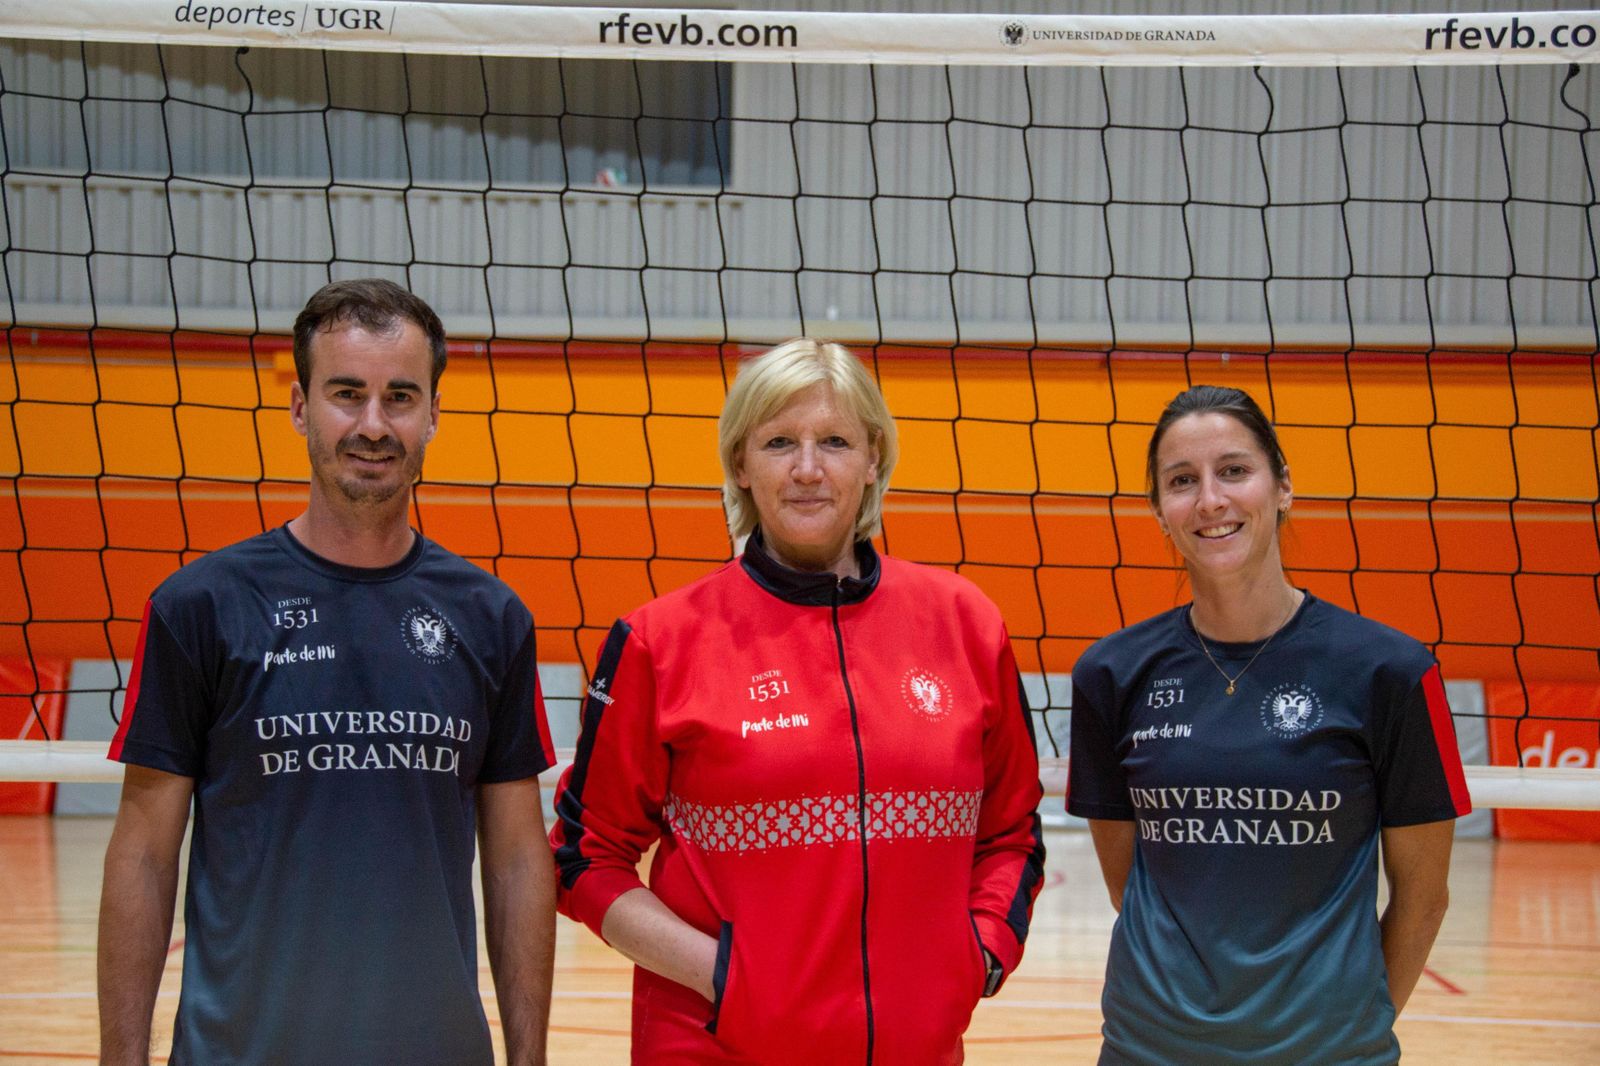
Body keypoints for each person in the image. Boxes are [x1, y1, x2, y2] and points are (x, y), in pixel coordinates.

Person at [97, 279, 558, 1066]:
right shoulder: (198, 608)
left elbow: (517, 860)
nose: (373, 425)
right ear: (301, 407)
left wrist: (530, 1060)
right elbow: (143, 853)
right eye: (347, 394)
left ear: (435, 414)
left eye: (400, 397)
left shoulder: (492, 618)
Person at [549, 338, 1046, 1064]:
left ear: (873, 457)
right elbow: (583, 857)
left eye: (835, 442)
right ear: (742, 465)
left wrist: (981, 955)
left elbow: (1010, 833)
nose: (808, 469)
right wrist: (725, 977)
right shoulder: (660, 641)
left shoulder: (966, 623)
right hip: (714, 1046)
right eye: (780, 442)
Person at [1068, 384, 1472, 1064]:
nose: (1210, 500)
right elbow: (1129, 881)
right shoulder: (1111, 674)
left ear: (1282, 486)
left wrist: (1347, 1029)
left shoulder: (1391, 673)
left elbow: (1423, 898)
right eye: (1181, 481)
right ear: (1160, 512)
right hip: (1149, 1047)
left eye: (1234, 470)